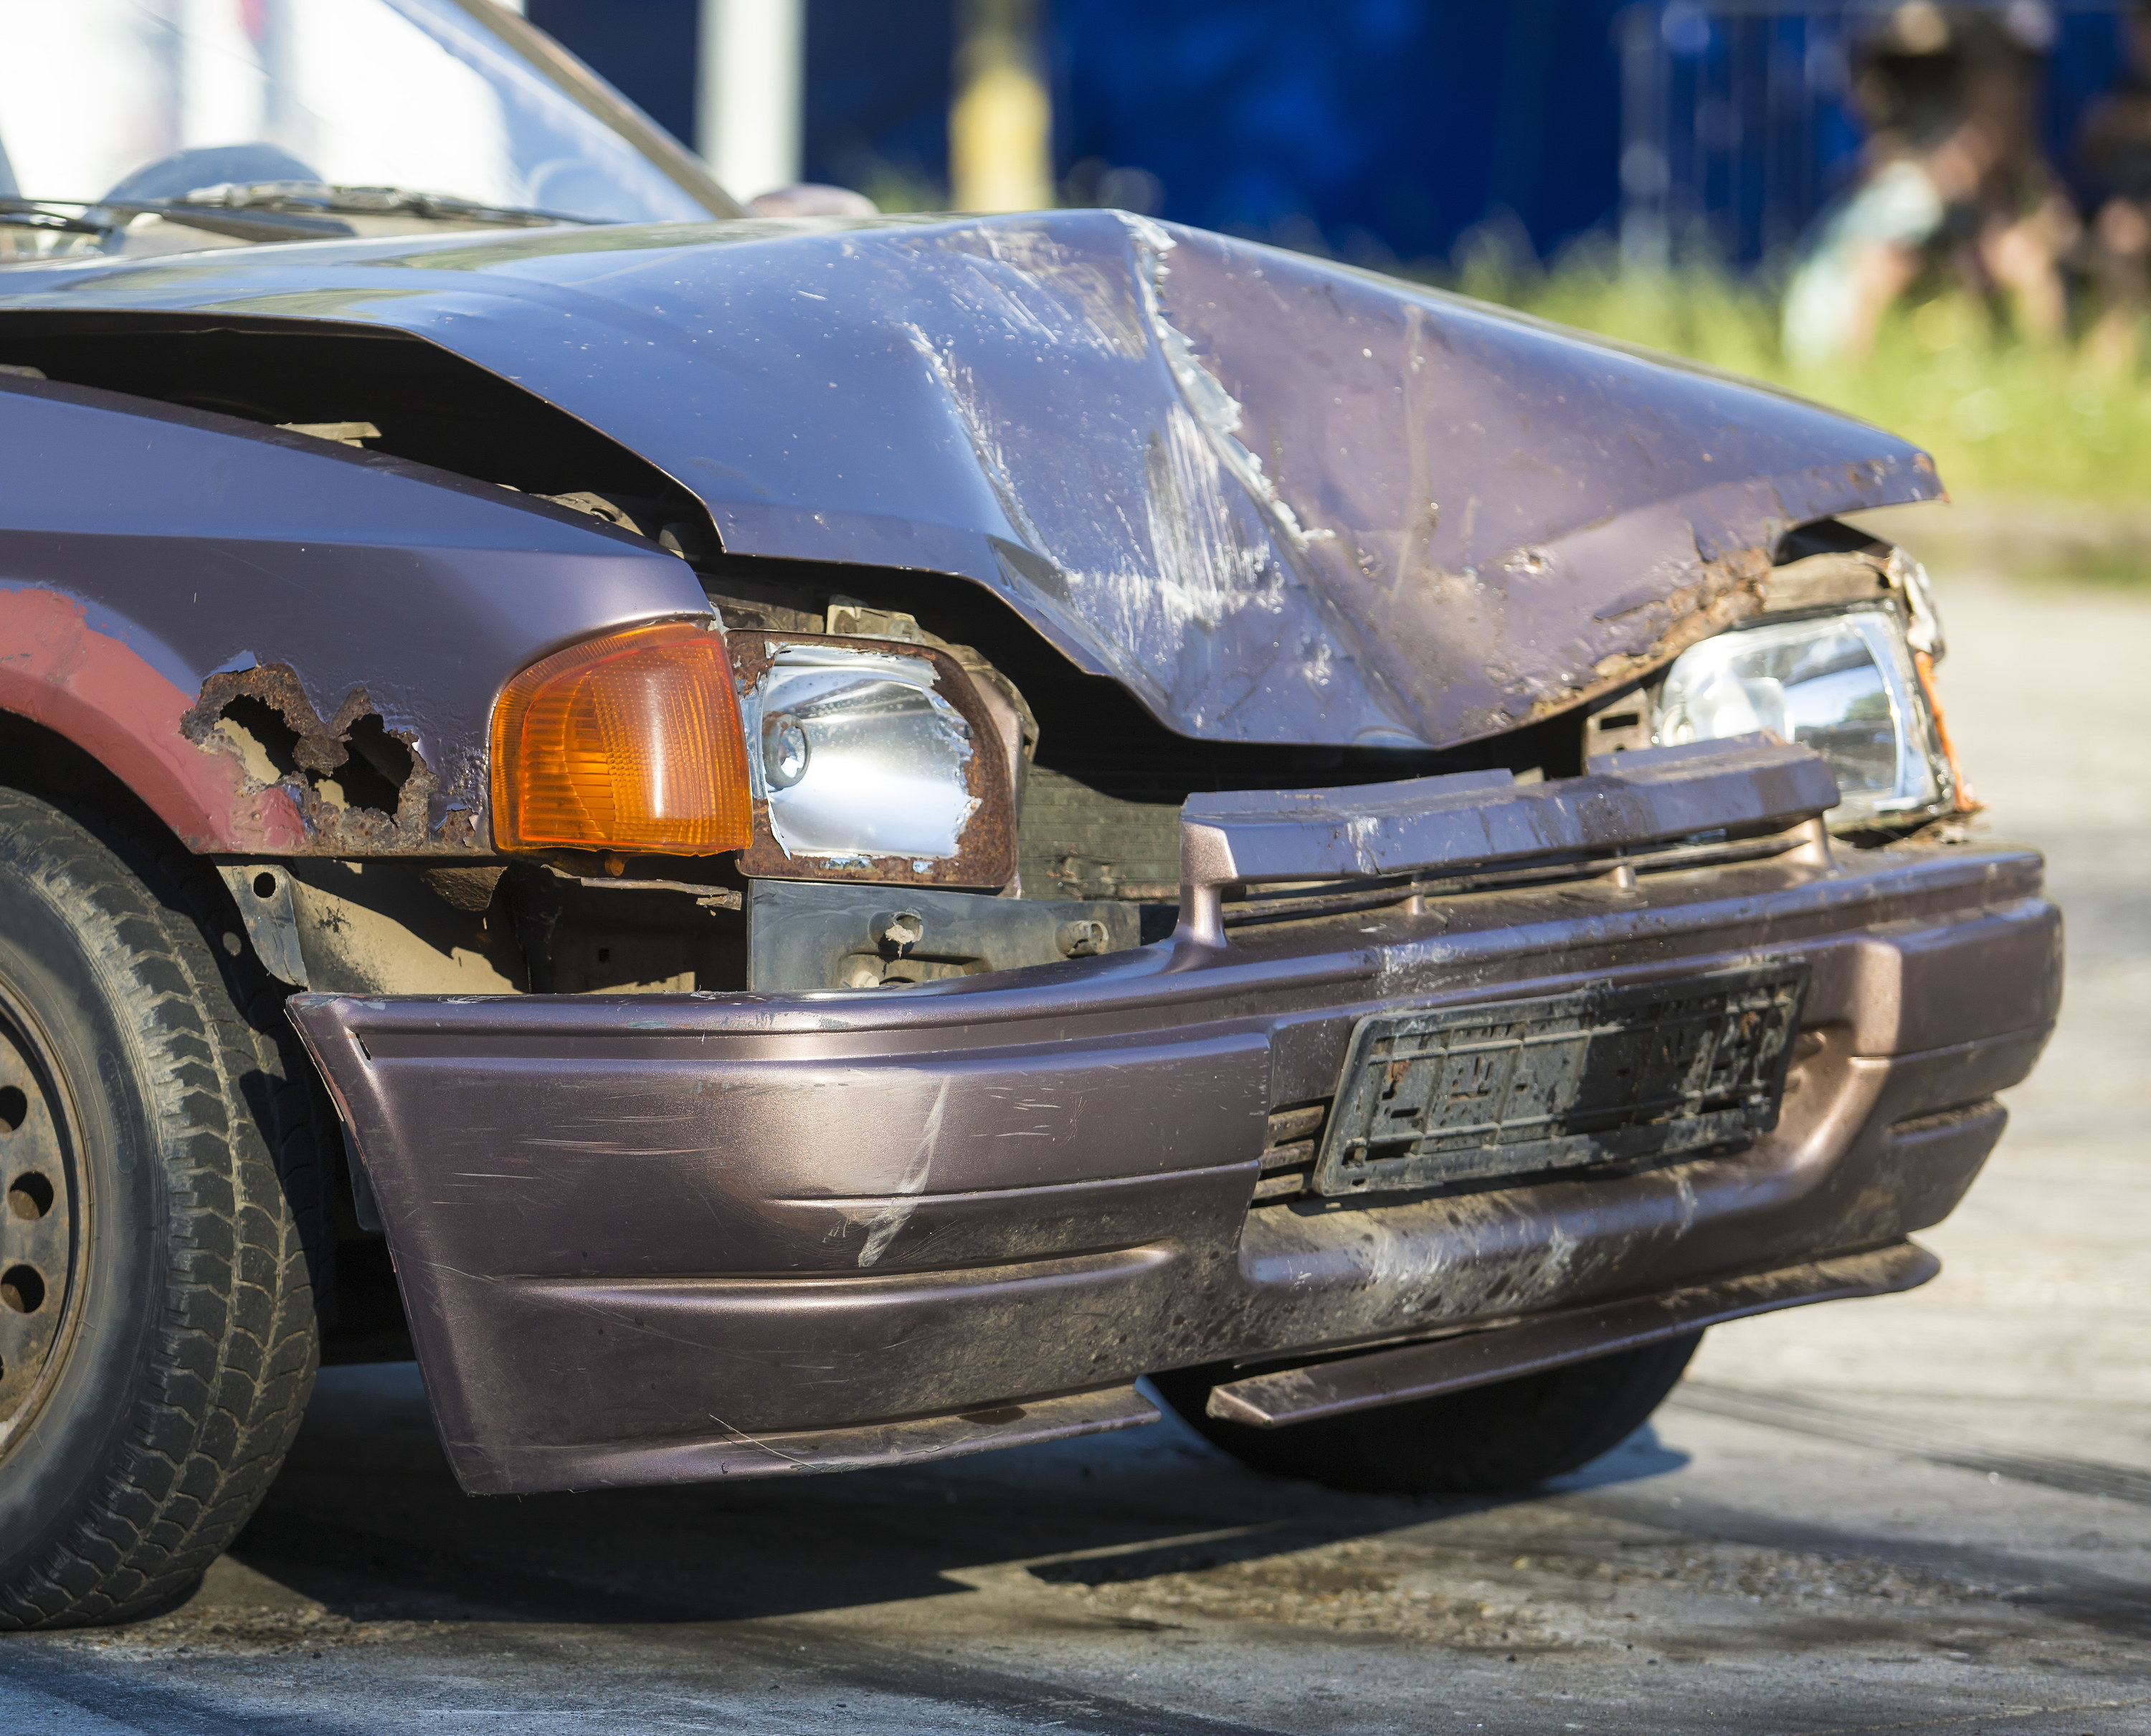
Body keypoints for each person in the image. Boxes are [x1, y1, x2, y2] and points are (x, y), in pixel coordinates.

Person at [1783, 2, 2075, 365]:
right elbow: (1876, 259)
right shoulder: (1901, 186)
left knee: (2023, 259)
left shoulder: (1996, 160)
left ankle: (2053, 374)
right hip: (1839, 317)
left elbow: (2034, 212)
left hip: (1961, 240)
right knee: (1884, 264)